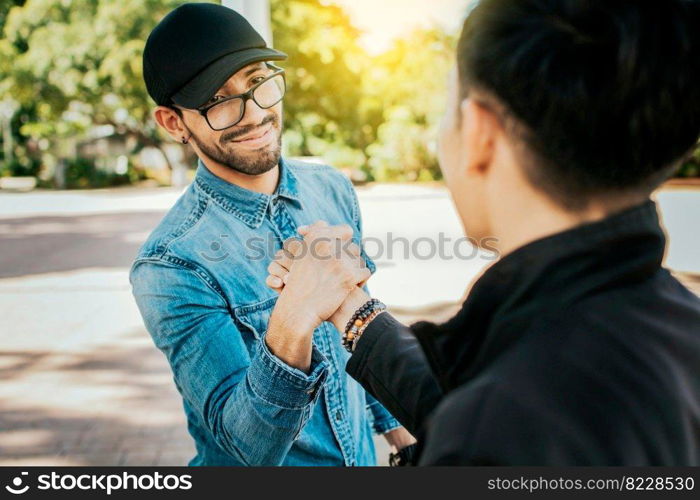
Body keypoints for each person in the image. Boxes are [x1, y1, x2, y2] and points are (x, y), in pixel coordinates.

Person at [265, 0, 700, 465]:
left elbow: (495, 418)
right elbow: (484, 400)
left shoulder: (490, 433)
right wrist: (352, 310)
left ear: (479, 133)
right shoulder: (678, 327)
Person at [130, 3, 413, 466]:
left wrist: (404, 436)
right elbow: (248, 447)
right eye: (219, 100)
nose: (254, 114)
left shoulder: (332, 188)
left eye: (259, 82)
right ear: (174, 123)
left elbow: (356, 340)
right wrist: (294, 315)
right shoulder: (171, 264)